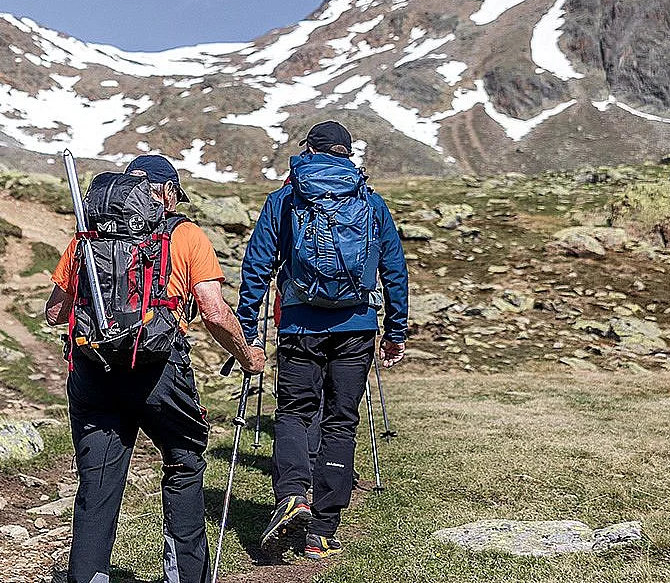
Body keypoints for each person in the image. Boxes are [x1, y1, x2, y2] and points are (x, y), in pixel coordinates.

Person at [43, 154, 266, 583]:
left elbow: (55, 313)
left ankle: (88, 576)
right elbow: (215, 312)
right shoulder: (185, 235)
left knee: (98, 480)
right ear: (165, 192)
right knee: (183, 461)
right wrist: (248, 356)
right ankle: (184, 576)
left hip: (94, 370)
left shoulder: (86, 237)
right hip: (159, 369)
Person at [235, 120, 410, 560]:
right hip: (357, 325)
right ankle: (322, 530)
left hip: (299, 325)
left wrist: (248, 331)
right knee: (340, 421)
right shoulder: (369, 202)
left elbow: (256, 265)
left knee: (294, 413)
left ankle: (293, 493)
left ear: (308, 150)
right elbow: (394, 269)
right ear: (347, 154)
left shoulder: (286, 199)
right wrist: (395, 332)